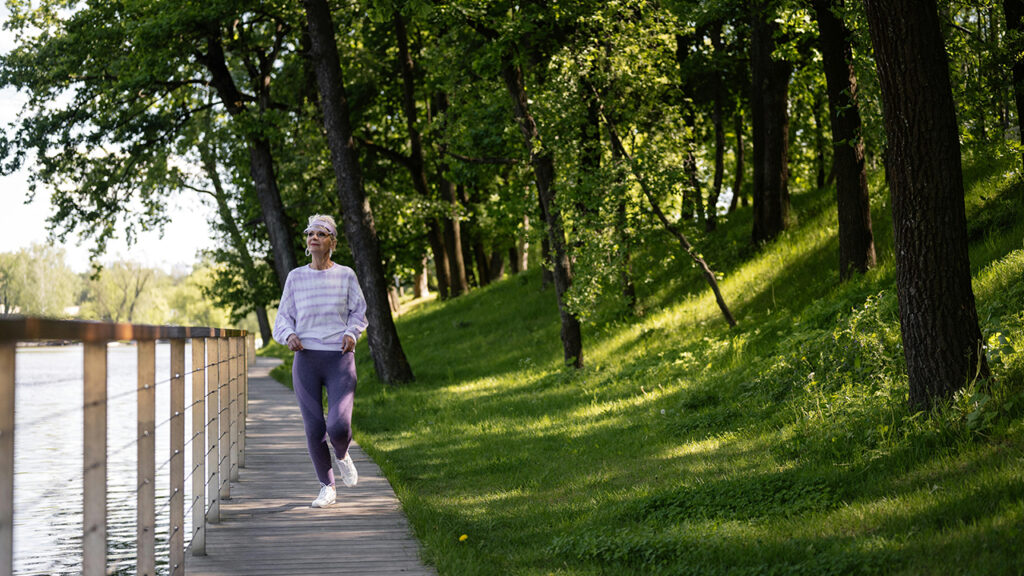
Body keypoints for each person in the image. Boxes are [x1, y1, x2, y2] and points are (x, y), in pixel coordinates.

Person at [272, 214, 368, 508]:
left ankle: (342, 454)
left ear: (332, 243)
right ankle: (327, 486)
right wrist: (289, 335)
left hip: (339, 358)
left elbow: (359, 312)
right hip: (306, 360)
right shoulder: (296, 278)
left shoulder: (346, 275)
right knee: (314, 428)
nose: (314, 237)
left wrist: (352, 333)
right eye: (310, 233)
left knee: (338, 426)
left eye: (321, 234)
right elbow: (282, 318)